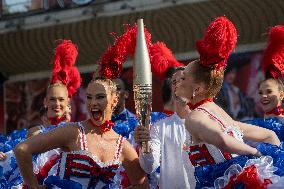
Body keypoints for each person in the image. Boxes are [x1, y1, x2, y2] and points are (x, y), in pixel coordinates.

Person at [175, 16, 282, 188]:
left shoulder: (195, 117)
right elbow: (271, 135)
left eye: (183, 78)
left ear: (197, 89)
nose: (178, 82)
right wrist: (273, 166)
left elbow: (221, 139)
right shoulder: (218, 111)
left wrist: (255, 153)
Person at [14, 77, 149, 189]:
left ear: (114, 100)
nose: (93, 103)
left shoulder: (121, 145)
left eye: (100, 97)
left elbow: (142, 185)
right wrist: (34, 187)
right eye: (89, 97)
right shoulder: (74, 132)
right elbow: (22, 149)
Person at [0, 40, 81, 188]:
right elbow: (12, 150)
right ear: (45, 102)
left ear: (68, 103)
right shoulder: (33, 131)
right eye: (52, 99)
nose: (56, 103)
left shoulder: (76, 132)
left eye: (61, 99)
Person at [134, 66, 195, 189]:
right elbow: (149, 167)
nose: (178, 84)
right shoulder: (159, 127)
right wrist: (145, 145)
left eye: (183, 79)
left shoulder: (209, 122)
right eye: (174, 82)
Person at [245, 25, 284, 147]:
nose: (264, 96)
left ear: (281, 95)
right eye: (261, 92)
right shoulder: (255, 125)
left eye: (269, 91)